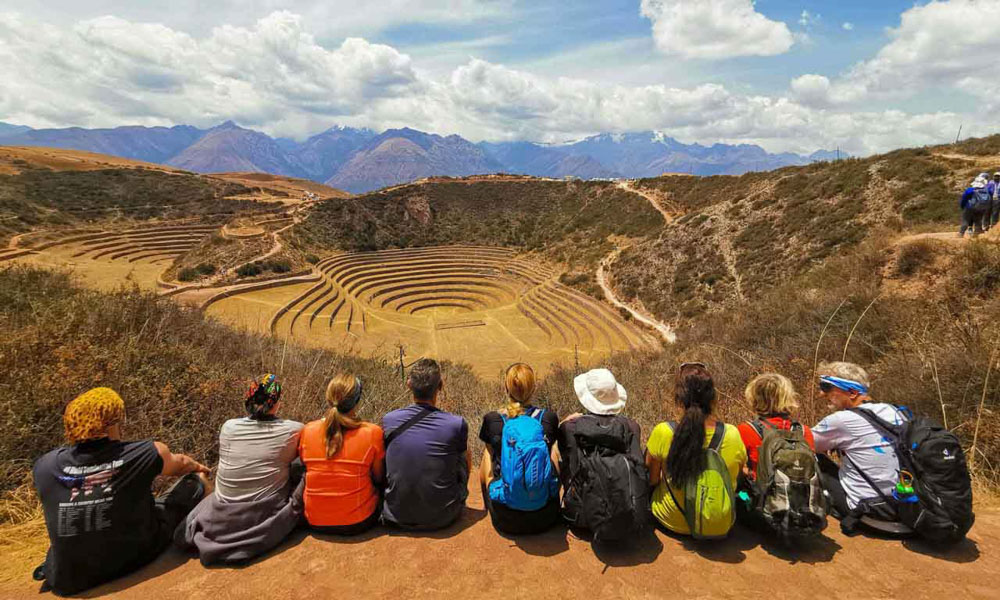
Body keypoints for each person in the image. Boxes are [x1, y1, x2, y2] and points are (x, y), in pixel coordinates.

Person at [33, 387, 210, 596]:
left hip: (67, 579)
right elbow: (180, 464)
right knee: (195, 481)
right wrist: (200, 468)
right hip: (135, 556)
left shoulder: (44, 465)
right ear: (110, 424)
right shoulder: (145, 452)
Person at [177, 374, 304, 565]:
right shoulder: (294, 430)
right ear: (276, 403)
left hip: (221, 512)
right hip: (263, 513)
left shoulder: (228, 427)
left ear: (248, 399)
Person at [645, 363, 747, 538]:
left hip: (671, 520)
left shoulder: (664, 431)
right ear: (714, 397)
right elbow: (737, 479)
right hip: (719, 523)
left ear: (678, 399)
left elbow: (652, 480)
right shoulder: (732, 434)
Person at [812, 362, 908, 534]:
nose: (821, 393)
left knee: (813, 458)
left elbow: (802, 444)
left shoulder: (842, 420)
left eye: (827, 387)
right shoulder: (895, 411)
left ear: (852, 393)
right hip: (907, 506)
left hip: (871, 513)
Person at [557, 368, 649, 541]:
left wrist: (565, 421)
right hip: (630, 515)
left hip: (581, 517)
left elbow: (570, 467)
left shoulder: (570, 428)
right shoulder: (632, 427)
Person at [381, 358, 470, 530]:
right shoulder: (455, 423)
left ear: (409, 384)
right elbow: (463, 462)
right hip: (443, 517)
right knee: (463, 452)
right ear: (440, 386)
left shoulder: (389, 420)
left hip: (395, 515)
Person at [736, 373, 825, 537]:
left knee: (737, 484)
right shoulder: (803, 431)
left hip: (762, 515)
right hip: (803, 513)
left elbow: (738, 469)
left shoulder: (747, 429)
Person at [478, 363, 561, 535]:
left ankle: (487, 503)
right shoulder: (548, 418)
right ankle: (553, 494)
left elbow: (492, 455)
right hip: (546, 514)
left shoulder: (493, 419)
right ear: (534, 387)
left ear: (506, 388)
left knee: (488, 452)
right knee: (552, 449)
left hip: (505, 517)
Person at [299, 374, 385, 534]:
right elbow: (379, 477)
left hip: (315, 520)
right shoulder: (372, 433)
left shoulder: (308, 430)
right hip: (359, 521)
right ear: (357, 401)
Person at [737, 373, 815, 479]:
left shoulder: (746, 430)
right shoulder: (804, 431)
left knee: (740, 492)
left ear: (755, 398)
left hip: (759, 494)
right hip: (802, 494)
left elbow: (734, 468)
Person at [959, 173, 991, 237]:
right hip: (981, 208)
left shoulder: (970, 190)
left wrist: (962, 206)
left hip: (970, 207)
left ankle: (961, 234)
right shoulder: (987, 190)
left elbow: (964, 199)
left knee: (966, 220)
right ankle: (976, 234)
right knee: (978, 221)